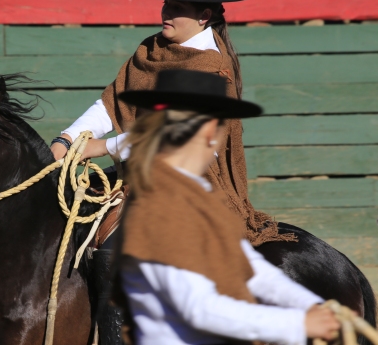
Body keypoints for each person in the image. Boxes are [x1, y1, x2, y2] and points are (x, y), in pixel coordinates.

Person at [49, 0, 292, 247]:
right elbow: (112, 103)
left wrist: (105, 147)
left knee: (114, 250)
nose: (167, 12)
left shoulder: (212, 68)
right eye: (166, 4)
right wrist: (67, 139)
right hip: (136, 172)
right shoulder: (151, 50)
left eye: (178, 8)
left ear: (204, 16)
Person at [115, 69, 340, 345]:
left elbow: (250, 268)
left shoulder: (194, 195)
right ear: (211, 130)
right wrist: (298, 323)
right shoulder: (161, 204)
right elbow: (199, 308)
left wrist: (311, 305)